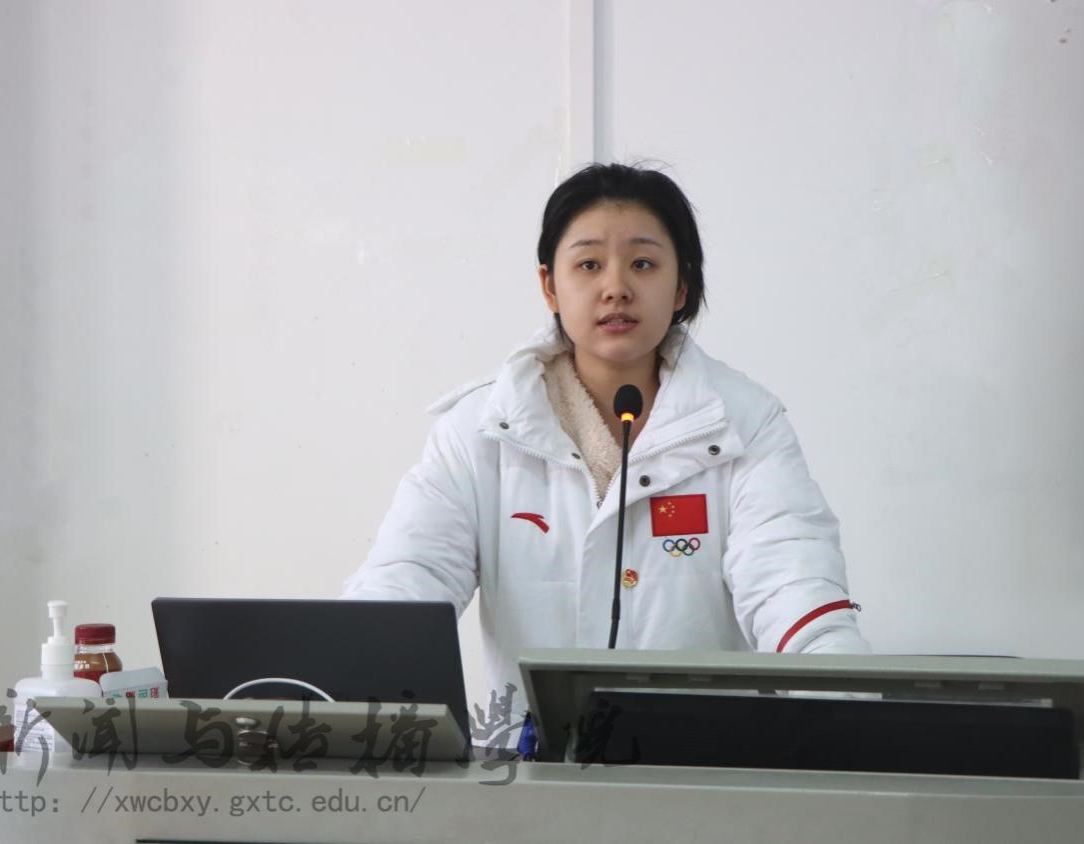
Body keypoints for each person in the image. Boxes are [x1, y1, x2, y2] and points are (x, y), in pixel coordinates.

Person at [342, 162, 869, 742]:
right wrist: (347, 680)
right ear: (550, 286)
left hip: (706, 763)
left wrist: (846, 709)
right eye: (589, 264)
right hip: (530, 771)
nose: (616, 287)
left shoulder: (745, 421)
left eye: (643, 263)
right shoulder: (480, 430)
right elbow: (410, 577)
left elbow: (790, 580)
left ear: (682, 286)